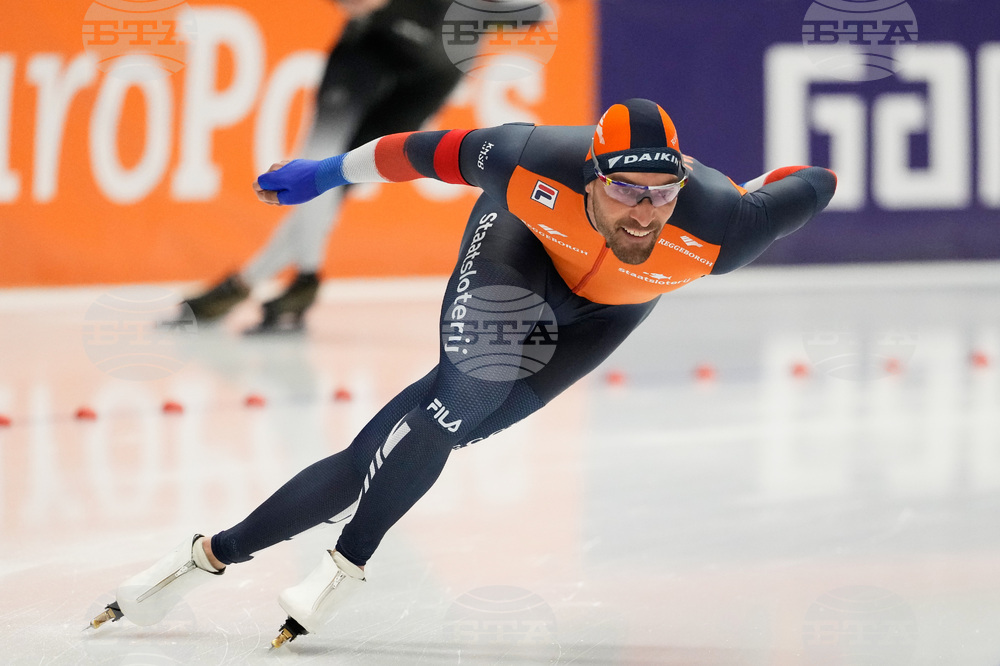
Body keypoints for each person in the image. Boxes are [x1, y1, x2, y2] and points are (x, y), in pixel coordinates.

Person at [91, 99, 837, 647]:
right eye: (624, 192)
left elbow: (816, 180)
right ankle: (347, 564)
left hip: (608, 314)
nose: (643, 215)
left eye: (661, 193)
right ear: (587, 177)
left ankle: (205, 557)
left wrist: (755, 187)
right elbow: (415, 151)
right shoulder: (526, 155)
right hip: (518, 254)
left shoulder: (725, 227)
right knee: (462, 397)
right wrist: (326, 173)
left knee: (407, 443)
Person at [179, 0, 463, 333]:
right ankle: (280, 280)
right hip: (378, 45)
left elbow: (531, 13)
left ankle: (282, 280)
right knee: (324, 169)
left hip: (435, 64)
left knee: (333, 174)